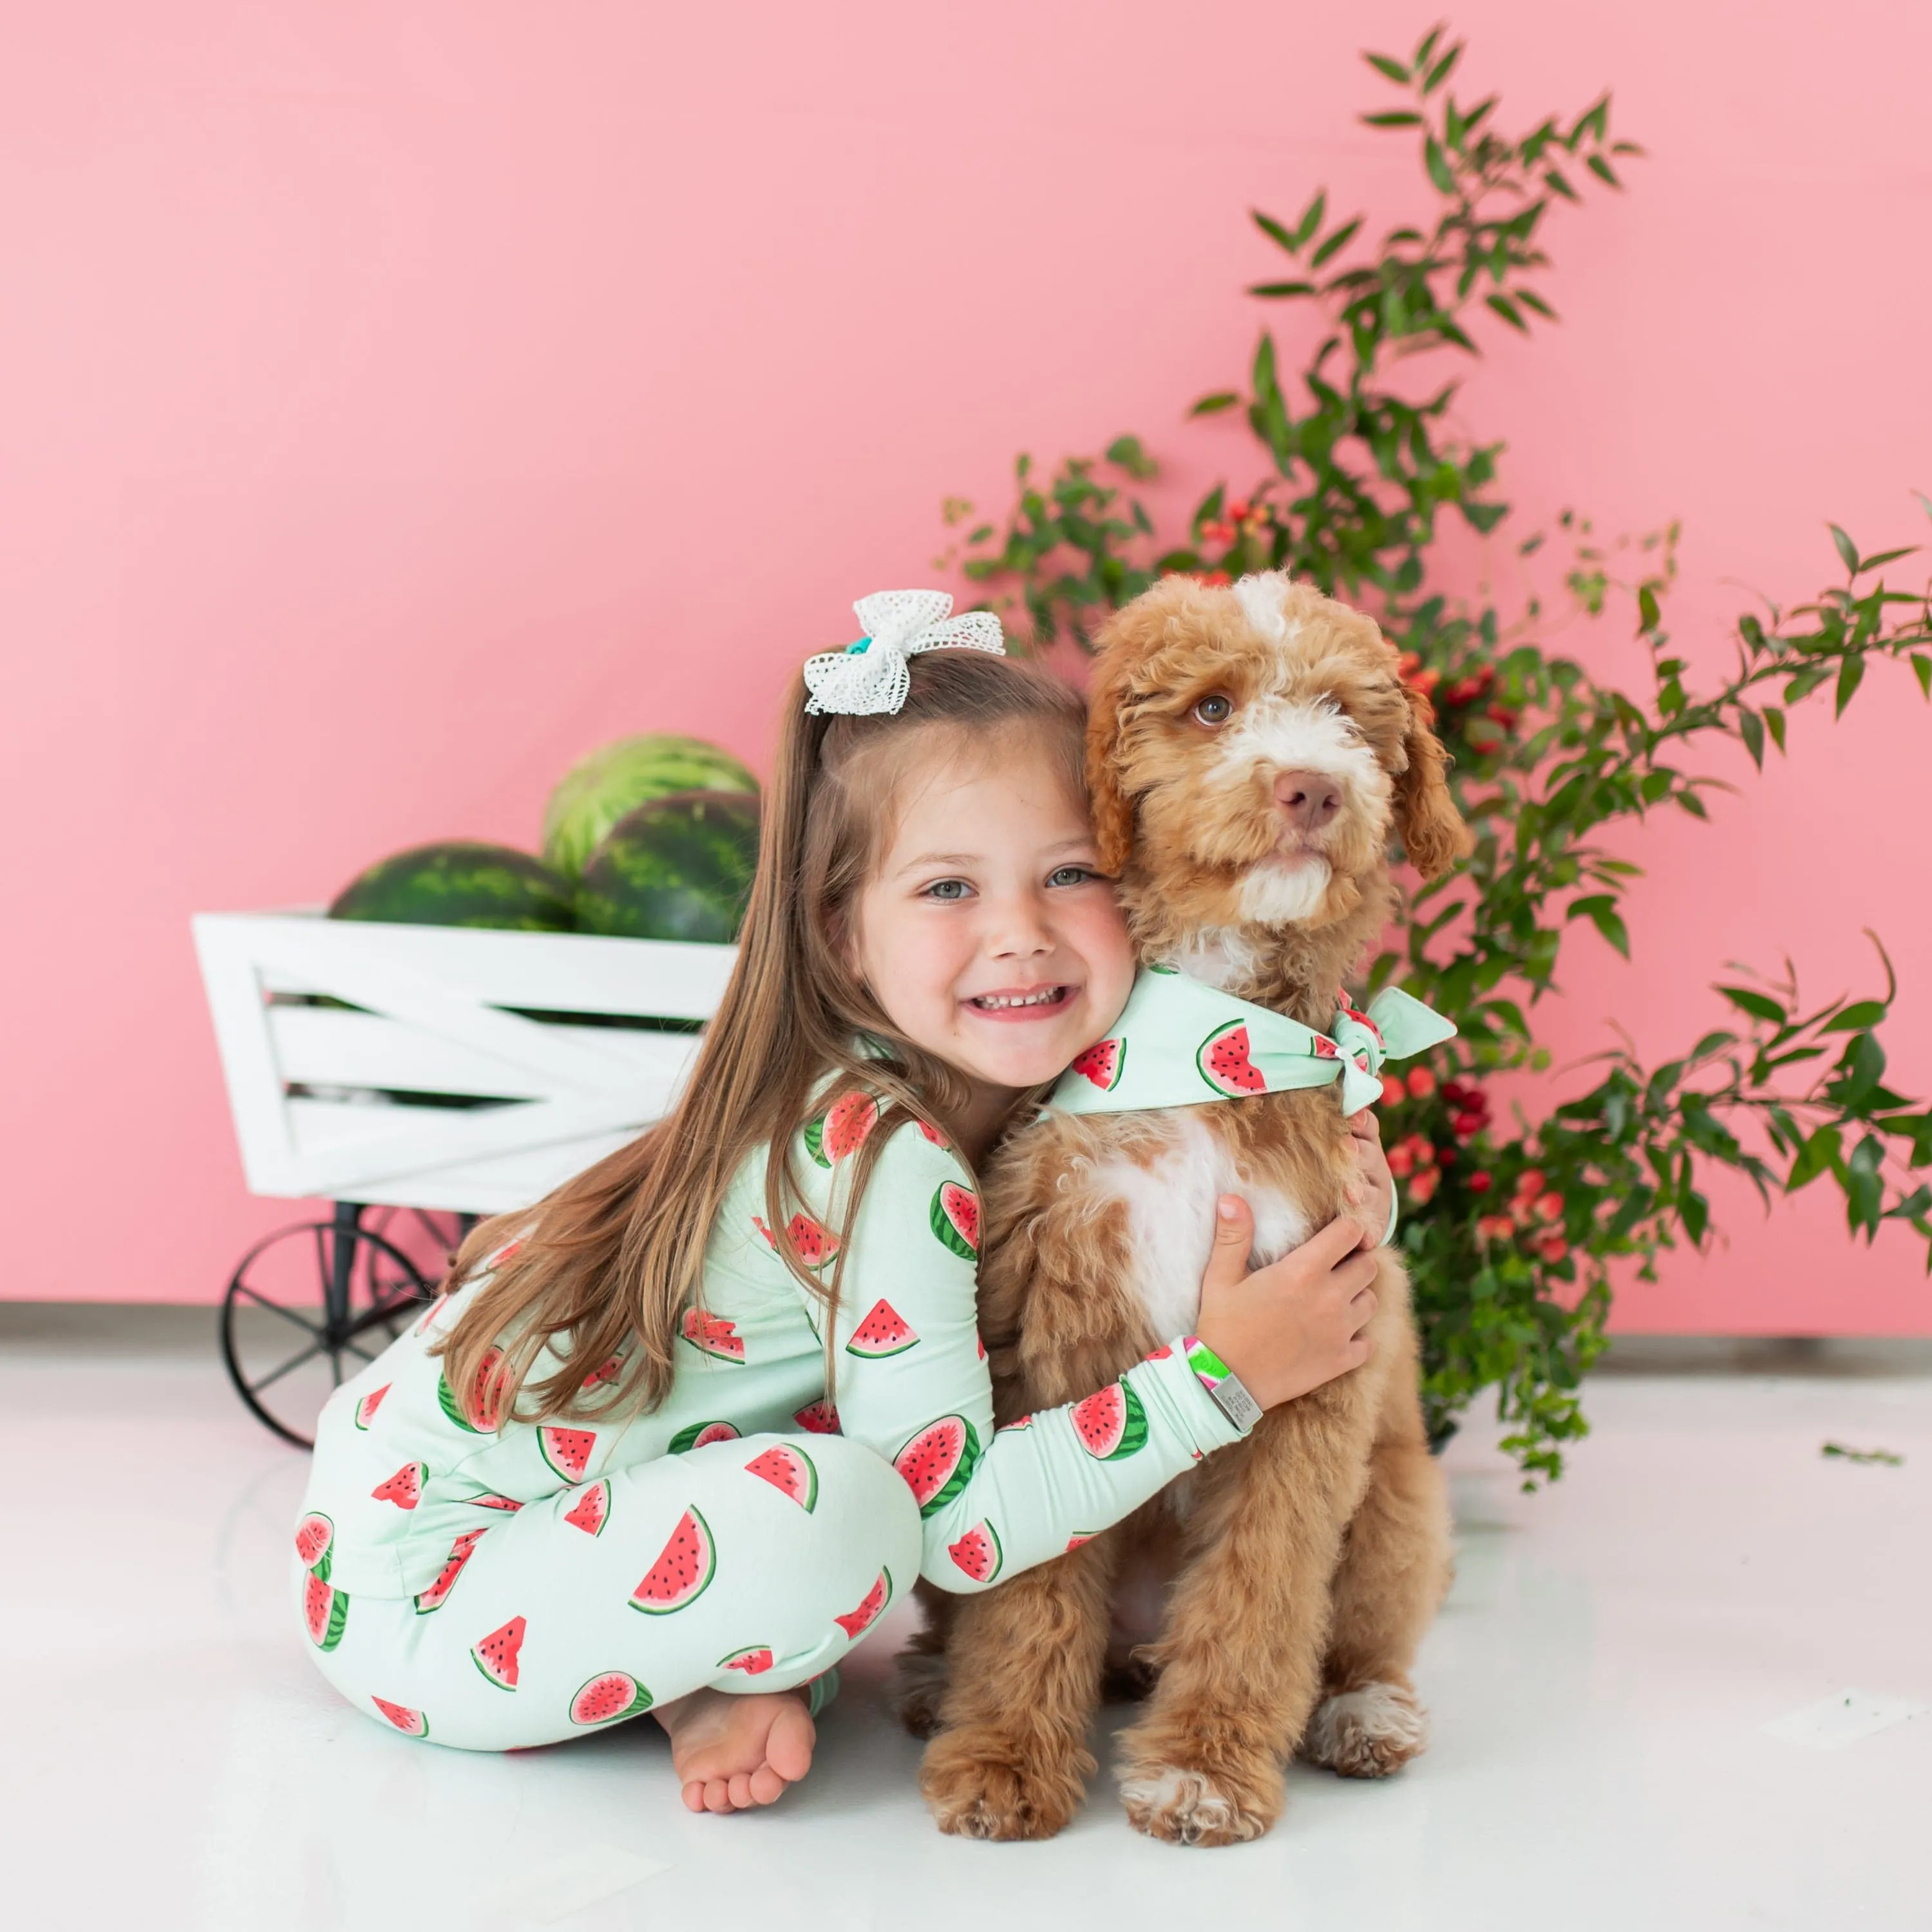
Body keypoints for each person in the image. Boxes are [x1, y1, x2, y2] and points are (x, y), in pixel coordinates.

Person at [289, 590, 1394, 1815]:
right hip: (425, 1585)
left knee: (852, 1478)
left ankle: (714, 1664)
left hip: (562, 1520)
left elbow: (1224, 1121)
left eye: (1068, 873)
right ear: (841, 934)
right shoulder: (884, 1151)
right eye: (945, 890)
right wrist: (1220, 1378)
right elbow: (958, 1523)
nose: (1021, 937)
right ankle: (699, 1667)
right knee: (866, 1512)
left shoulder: (1039, 1090)